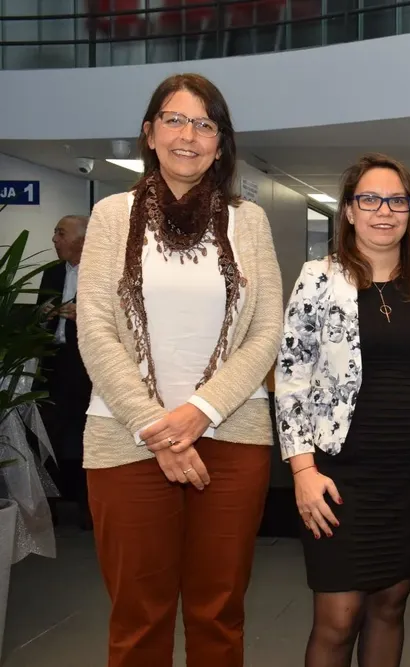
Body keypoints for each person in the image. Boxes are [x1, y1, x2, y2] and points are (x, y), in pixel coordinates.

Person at [76, 73, 283, 667]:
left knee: (218, 615)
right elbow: (95, 328)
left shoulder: (251, 222)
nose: (188, 135)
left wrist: (198, 414)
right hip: (124, 440)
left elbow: (266, 332)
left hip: (232, 436)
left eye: (205, 124)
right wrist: (156, 429)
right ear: (149, 132)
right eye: (174, 119)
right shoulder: (113, 216)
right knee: (139, 618)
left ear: (220, 142)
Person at [275, 152, 410, 667]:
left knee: (390, 607)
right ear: (349, 211)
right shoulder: (319, 277)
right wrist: (302, 469)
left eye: (397, 200)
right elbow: (290, 378)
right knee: (337, 619)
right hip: (338, 474)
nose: (384, 211)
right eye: (369, 199)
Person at [35, 214, 93, 530]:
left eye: (61, 233)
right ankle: (52, 508)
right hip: (53, 368)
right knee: (48, 439)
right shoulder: (52, 274)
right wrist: (43, 315)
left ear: (83, 239)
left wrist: (84, 317)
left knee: (89, 440)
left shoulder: (102, 275)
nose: (55, 240)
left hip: (86, 369)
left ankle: (90, 507)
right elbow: (39, 318)